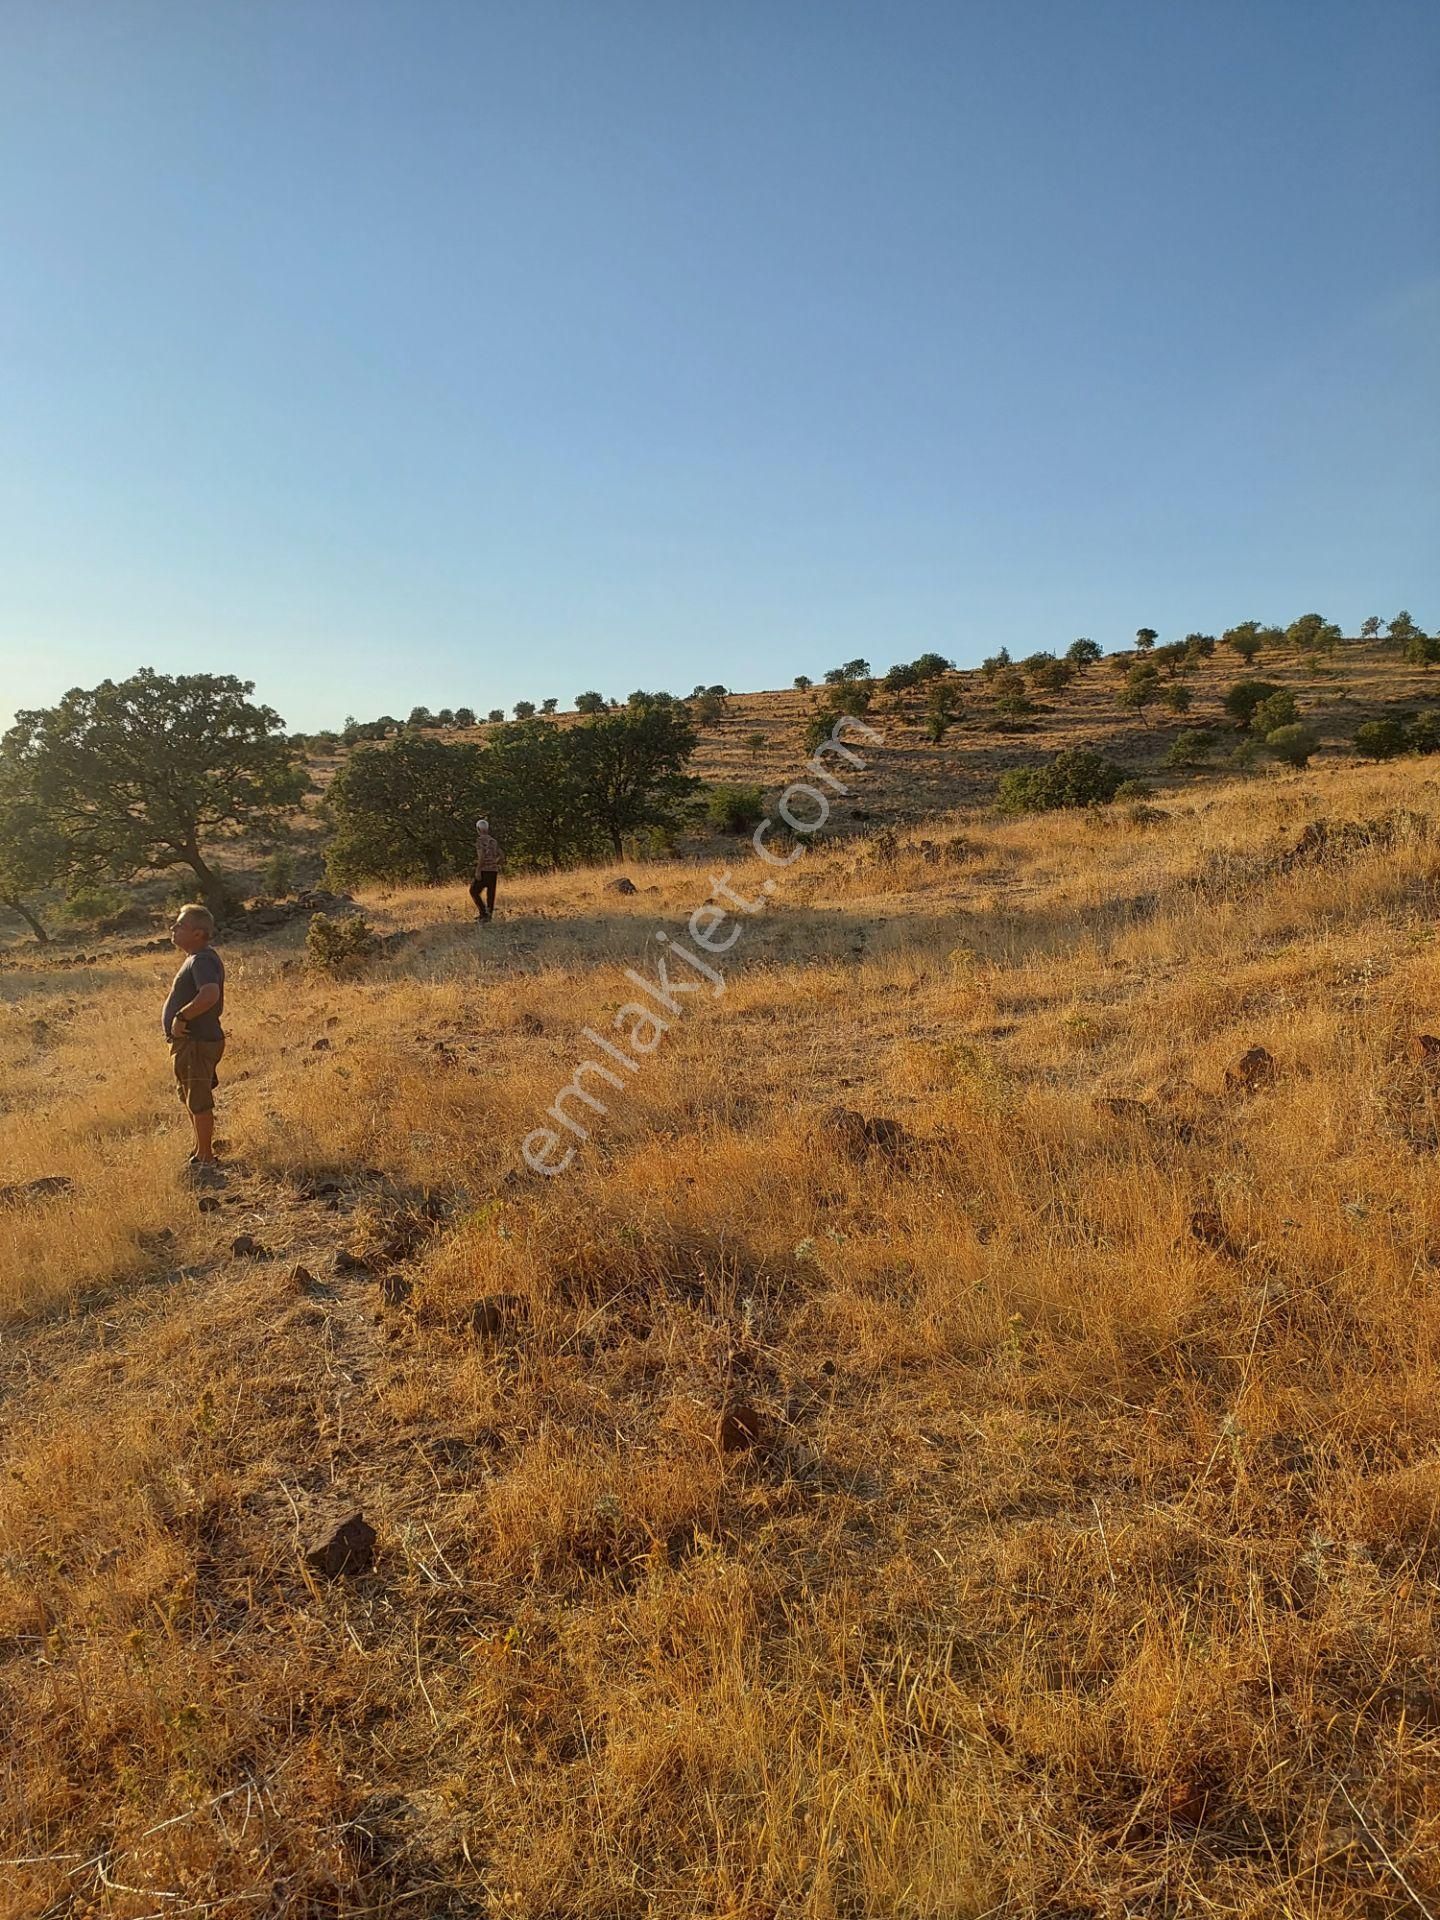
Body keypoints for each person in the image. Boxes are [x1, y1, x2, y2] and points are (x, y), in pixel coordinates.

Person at [163, 904, 226, 1174]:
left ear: (198, 933)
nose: (173, 929)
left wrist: (182, 1017)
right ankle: (200, 1151)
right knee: (191, 1097)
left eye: (180, 926)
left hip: (197, 1041)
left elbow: (209, 994)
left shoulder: (201, 960)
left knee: (198, 1101)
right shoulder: (198, 958)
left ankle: (206, 1159)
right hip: (191, 1043)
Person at [469, 817, 504, 921]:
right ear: (487, 829)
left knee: (473, 891)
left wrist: (478, 870)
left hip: (484, 870)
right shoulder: (493, 841)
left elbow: (481, 857)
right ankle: (488, 916)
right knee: (491, 894)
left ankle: (483, 913)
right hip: (493, 871)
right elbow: (502, 855)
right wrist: (496, 863)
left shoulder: (480, 841)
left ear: (478, 829)